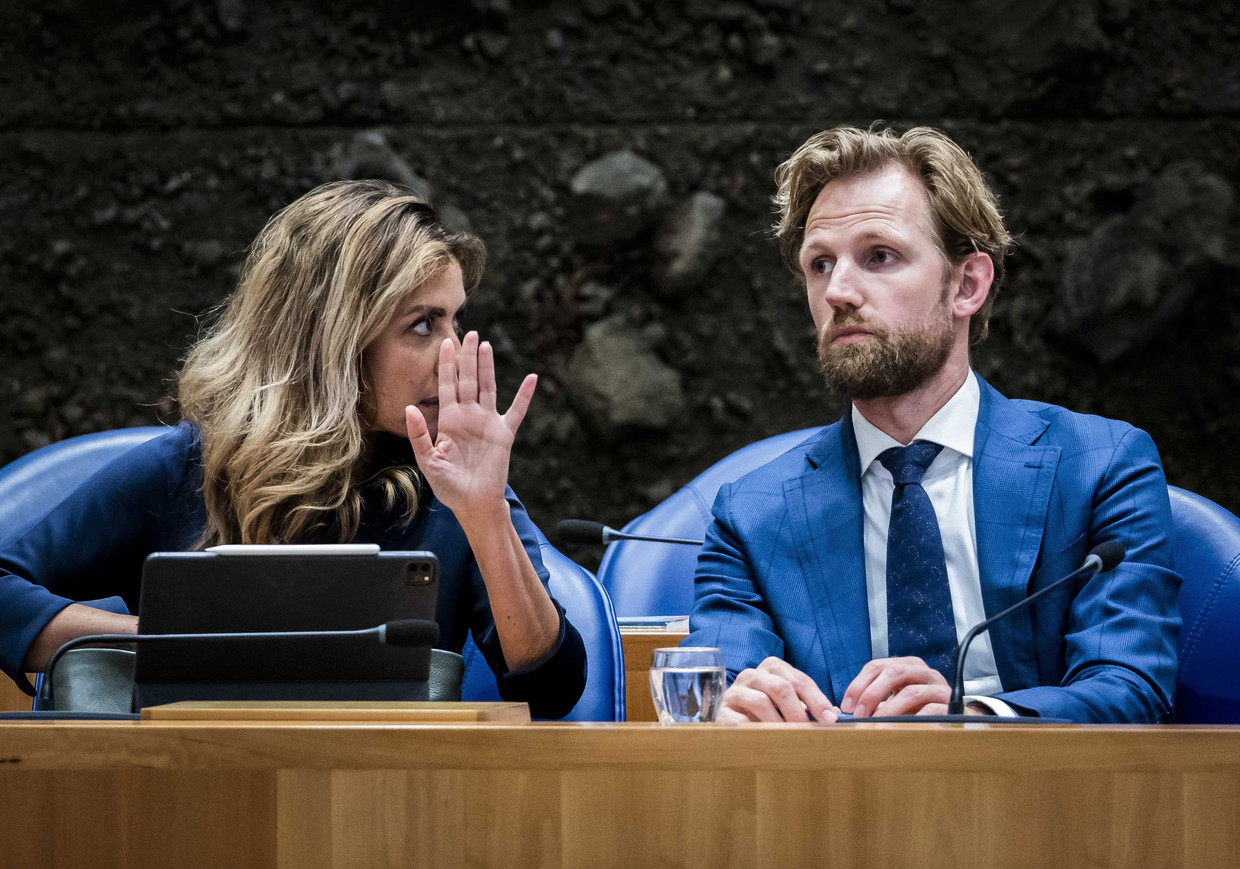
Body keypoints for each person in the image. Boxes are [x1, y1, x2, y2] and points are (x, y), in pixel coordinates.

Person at [0, 180, 587, 718]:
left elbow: (552, 688)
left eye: (455, 322)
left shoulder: (454, 480)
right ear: (333, 339)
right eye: (422, 325)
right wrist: (160, 641)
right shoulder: (186, 468)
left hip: (385, 788)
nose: (453, 353)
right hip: (195, 778)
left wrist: (486, 518)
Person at [685, 125, 1180, 724]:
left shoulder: (1099, 467)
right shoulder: (750, 515)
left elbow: (1131, 689)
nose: (838, 291)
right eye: (820, 264)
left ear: (967, 285)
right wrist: (727, 709)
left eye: (879, 256)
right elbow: (714, 685)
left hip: (1038, 779)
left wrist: (972, 714)